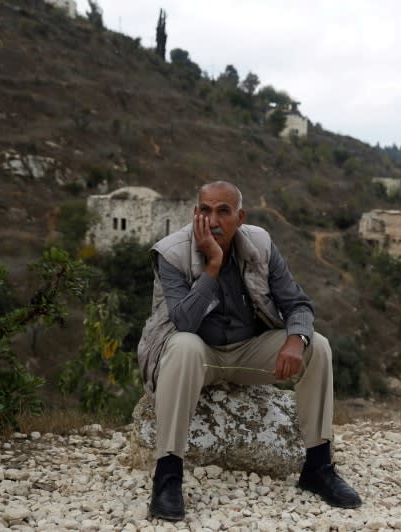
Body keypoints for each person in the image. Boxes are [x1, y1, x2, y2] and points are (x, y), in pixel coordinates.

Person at [137, 180, 362, 521]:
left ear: (240, 217)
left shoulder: (260, 244)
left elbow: (298, 303)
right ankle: (167, 477)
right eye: (205, 210)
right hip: (198, 355)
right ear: (195, 213)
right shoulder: (171, 252)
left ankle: (318, 467)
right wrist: (212, 265)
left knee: (318, 346)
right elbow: (183, 322)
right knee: (184, 346)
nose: (213, 220)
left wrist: (294, 339)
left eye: (223, 211)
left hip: (247, 351)